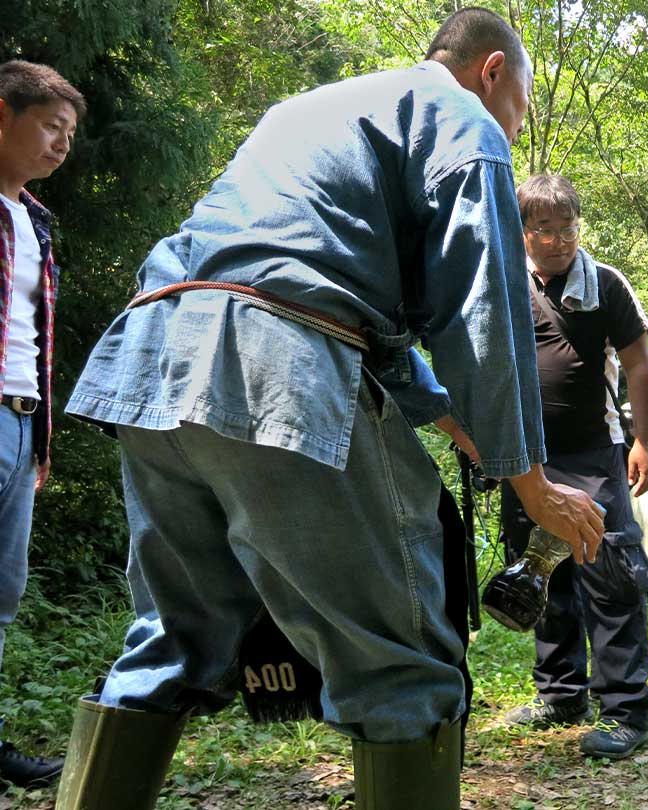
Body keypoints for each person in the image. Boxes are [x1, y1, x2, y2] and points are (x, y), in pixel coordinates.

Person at [53, 9, 605, 810]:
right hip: (275, 366)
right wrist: (533, 487)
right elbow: (481, 316)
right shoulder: (462, 122)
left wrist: (452, 418)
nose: (511, 133)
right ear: (492, 72)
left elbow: (326, 284)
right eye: (518, 109)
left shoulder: (308, 113)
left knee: (174, 640)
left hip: (156, 362)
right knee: (402, 658)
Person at [500, 174, 648, 759]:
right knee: (541, 573)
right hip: (526, 458)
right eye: (545, 229)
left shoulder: (606, 285)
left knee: (608, 572)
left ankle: (625, 710)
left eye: (568, 227)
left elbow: (639, 367)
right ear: (523, 233)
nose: (560, 239)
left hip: (595, 451)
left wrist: (644, 441)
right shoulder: (506, 282)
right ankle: (561, 693)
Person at [0, 59, 83, 789]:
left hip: (22, 428)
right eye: (51, 127)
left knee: (2, 593)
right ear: (3, 114)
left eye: (69, 134)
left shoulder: (35, 220)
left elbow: (34, 337)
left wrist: (41, 440)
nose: (62, 144)